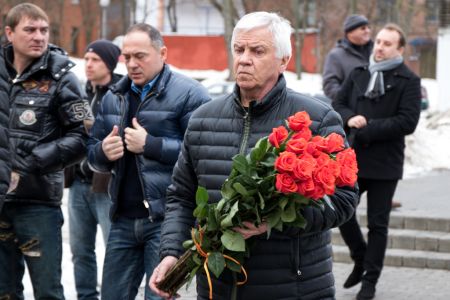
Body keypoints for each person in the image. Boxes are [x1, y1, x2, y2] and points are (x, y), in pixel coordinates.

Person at [150, 11, 359, 300]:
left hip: (293, 288)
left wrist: (274, 222)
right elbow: (181, 196)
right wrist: (172, 253)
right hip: (218, 287)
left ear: (283, 60)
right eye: (239, 49)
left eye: (257, 51)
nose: (244, 58)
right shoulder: (203, 119)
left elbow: (345, 199)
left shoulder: (317, 119)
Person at [87, 23, 210, 300]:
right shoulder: (114, 97)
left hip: (166, 220)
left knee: (158, 296)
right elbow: (92, 153)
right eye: (126, 57)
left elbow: (204, 156)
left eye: (140, 56)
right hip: (122, 219)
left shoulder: (191, 94)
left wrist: (151, 145)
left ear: (162, 53)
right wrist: (104, 152)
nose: (132, 64)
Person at [0, 3, 91, 300]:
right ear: (10, 33)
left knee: (48, 293)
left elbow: (83, 137)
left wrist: (35, 160)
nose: (39, 36)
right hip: (1, 202)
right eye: (30, 29)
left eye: (44, 30)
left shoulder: (62, 77)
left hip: (38, 204)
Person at [332, 23, 421, 300]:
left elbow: (408, 121)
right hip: (353, 160)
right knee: (342, 213)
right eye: (379, 41)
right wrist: (349, 118)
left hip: (385, 164)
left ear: (400, 49)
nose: (380, 47)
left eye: (387, 43)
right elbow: (338, 103)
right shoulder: (359, 73)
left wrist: (366, 128)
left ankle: (370, 280)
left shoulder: (408, 80)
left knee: (377, 224)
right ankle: (360, 257)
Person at [65, 39, 122, 300]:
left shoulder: (122, 92)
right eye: (86, 59)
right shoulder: (78, 92)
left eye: (95, 60)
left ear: (109, 64)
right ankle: (86, 296)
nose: (88, 64)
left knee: (115, 250)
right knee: (80, 250)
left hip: (107, 185)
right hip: (78, 183)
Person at [322, 14, 372, 101]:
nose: (367, 31)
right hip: (350, 111)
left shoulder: (376, 51)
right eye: (363, 28)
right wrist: (349, 99)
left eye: (368, 27)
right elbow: (329, 86)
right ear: (350, 32)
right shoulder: (336, 56)